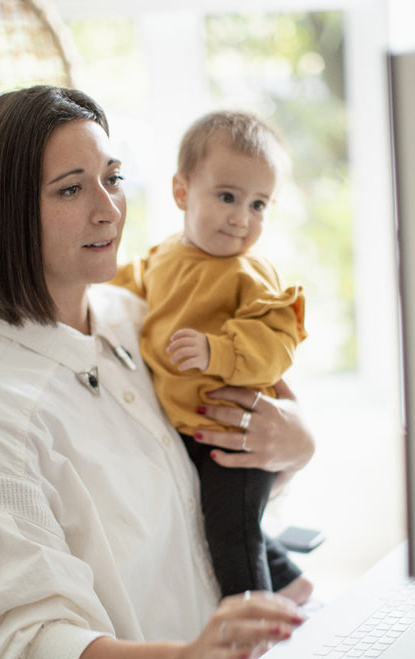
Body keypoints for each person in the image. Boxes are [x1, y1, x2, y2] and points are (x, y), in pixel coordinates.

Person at [0, 86, 315, 659]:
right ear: (5, 212)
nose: (108, 208)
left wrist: (294, 444)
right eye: (71, 188)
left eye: (111, 178)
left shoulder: (126, 317)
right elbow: (21, 649)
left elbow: (211, 462)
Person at [113, 110, 310, 600]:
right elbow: (124, 286)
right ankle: (294, 586)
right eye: (227, 197)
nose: (242, 217)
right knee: (218, 524)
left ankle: (258, 622)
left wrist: (217, 350)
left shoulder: (249, 273)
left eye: (259, 204)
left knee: (231, 538)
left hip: (236, 436)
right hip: (189, 429)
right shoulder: (163, 257)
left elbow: (276, 343)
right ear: (182, 193)